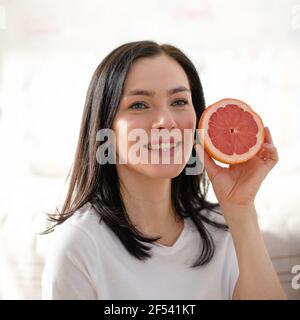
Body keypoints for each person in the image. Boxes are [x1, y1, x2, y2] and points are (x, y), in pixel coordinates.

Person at [41, 40, 287, 300]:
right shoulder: (79, 245)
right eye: (139, 105)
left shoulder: (226, 231)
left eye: (179, 101)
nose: (166, 122)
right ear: (106, 128)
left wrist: (241, 211)